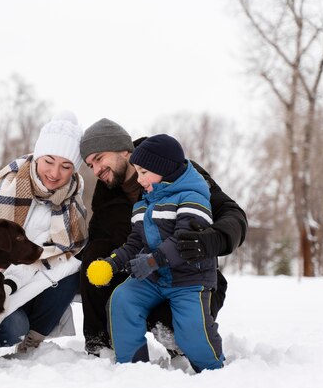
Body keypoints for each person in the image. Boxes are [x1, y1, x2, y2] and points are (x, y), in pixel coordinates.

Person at [79, 118, 247, 356]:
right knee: (95, 256)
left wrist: (216, 238)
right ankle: (101, 343)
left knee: (173, 329)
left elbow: (231, 212)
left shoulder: (173, 167)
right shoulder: (105, 194)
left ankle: (189, 346)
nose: (96, 170)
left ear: (124, 151)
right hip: (144, 276)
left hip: (190, 273)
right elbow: (98, 248)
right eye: (90, 165)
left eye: (99, 159)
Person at [0, 111, 88, 353]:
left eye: (66, 166)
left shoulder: (72, 210)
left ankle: (33, 340)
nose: (54, 174)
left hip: (28, 288)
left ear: (74, 170)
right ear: (36, 157)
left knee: (72, 269)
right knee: (12, 327)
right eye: (49, 161)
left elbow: (58, 264)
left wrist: (8, 291)